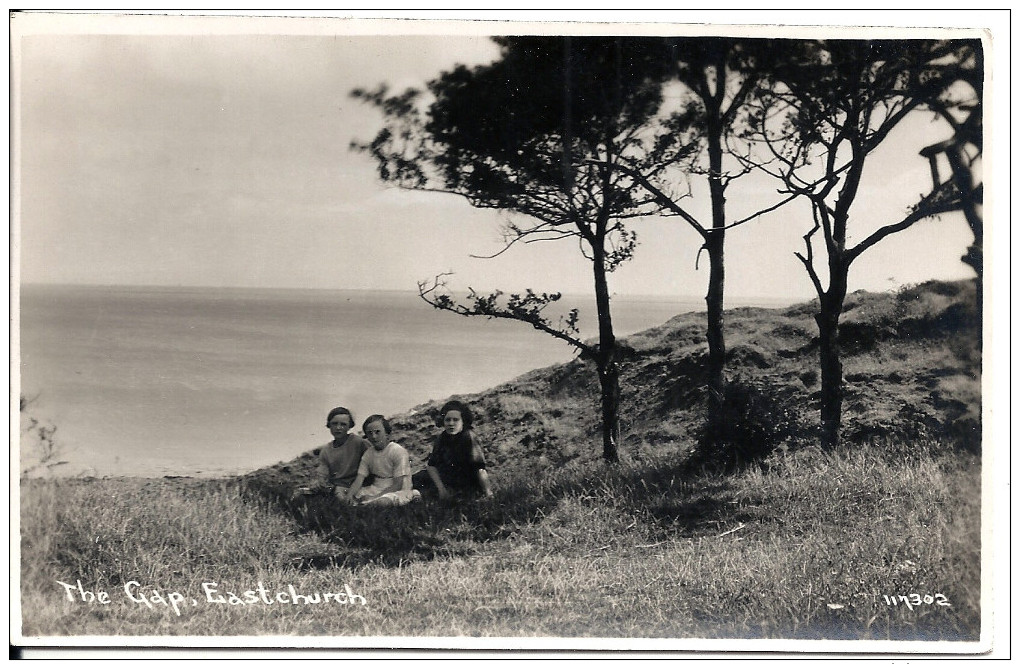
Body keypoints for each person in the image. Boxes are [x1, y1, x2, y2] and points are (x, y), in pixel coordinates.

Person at [419, 400, 493, 500]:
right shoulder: (441, 438)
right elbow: (432, 466)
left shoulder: (469, 437)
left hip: (467, 484)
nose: (451, 423)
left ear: (463, 421)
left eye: (456, 420)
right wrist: (442, 489)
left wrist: (489, 493)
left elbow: (479, 469)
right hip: (447, 482)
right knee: (418, 478)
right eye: (448, 420)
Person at [345, 414, 420, 507]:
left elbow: (398, 484)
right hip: (376, 488)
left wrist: (374, 498)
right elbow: (359, 479)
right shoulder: (368, 454)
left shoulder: (397, 451)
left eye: (377, 432)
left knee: (382, 501)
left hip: (398, 490)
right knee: (351, 495)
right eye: (370, 433)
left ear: (386, 433)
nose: (374, 436)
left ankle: (413, 495)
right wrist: (349, 496)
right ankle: (365, 505)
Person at [301, 406, 370, 502]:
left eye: (343, 424)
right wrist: (318, 483)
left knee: (339, 494)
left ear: (349, 426)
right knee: (300, 494)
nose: (338, 428)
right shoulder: (326, 450)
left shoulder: (359, 443)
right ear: (329, 425)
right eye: (334, 423)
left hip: (358, 486)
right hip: (335, 487)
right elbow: (323, 474)